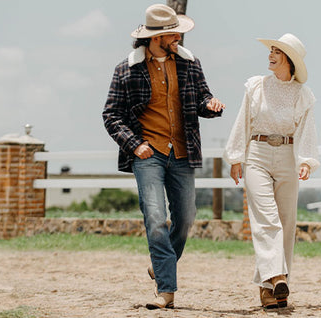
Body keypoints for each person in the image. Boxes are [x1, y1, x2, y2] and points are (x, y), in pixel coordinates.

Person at [102, 3, 225, 310]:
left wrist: (210, 104)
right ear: (156, 38)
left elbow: (201, 98)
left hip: (182, 153)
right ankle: (166, 291)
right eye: (173, 35)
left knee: (185, 219)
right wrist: (134, 145)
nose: (178, 39)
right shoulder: (126, 70)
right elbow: (111, 115)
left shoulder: (189, 64)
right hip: (148, 154)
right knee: (156, 219)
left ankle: (159, 267)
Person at [224, 33, 319, 309]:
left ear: (289, 60)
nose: (270, 55)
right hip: (258, 154)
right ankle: (278, 276)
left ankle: (269, 289)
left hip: (289, 156)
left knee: (286, 222)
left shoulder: (303, 94)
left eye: (277, 51)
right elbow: (243, 120)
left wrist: (306, 160)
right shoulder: (255, 86)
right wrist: (235, 157)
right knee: (267, 218)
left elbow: (306, 129)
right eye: (271, 50)